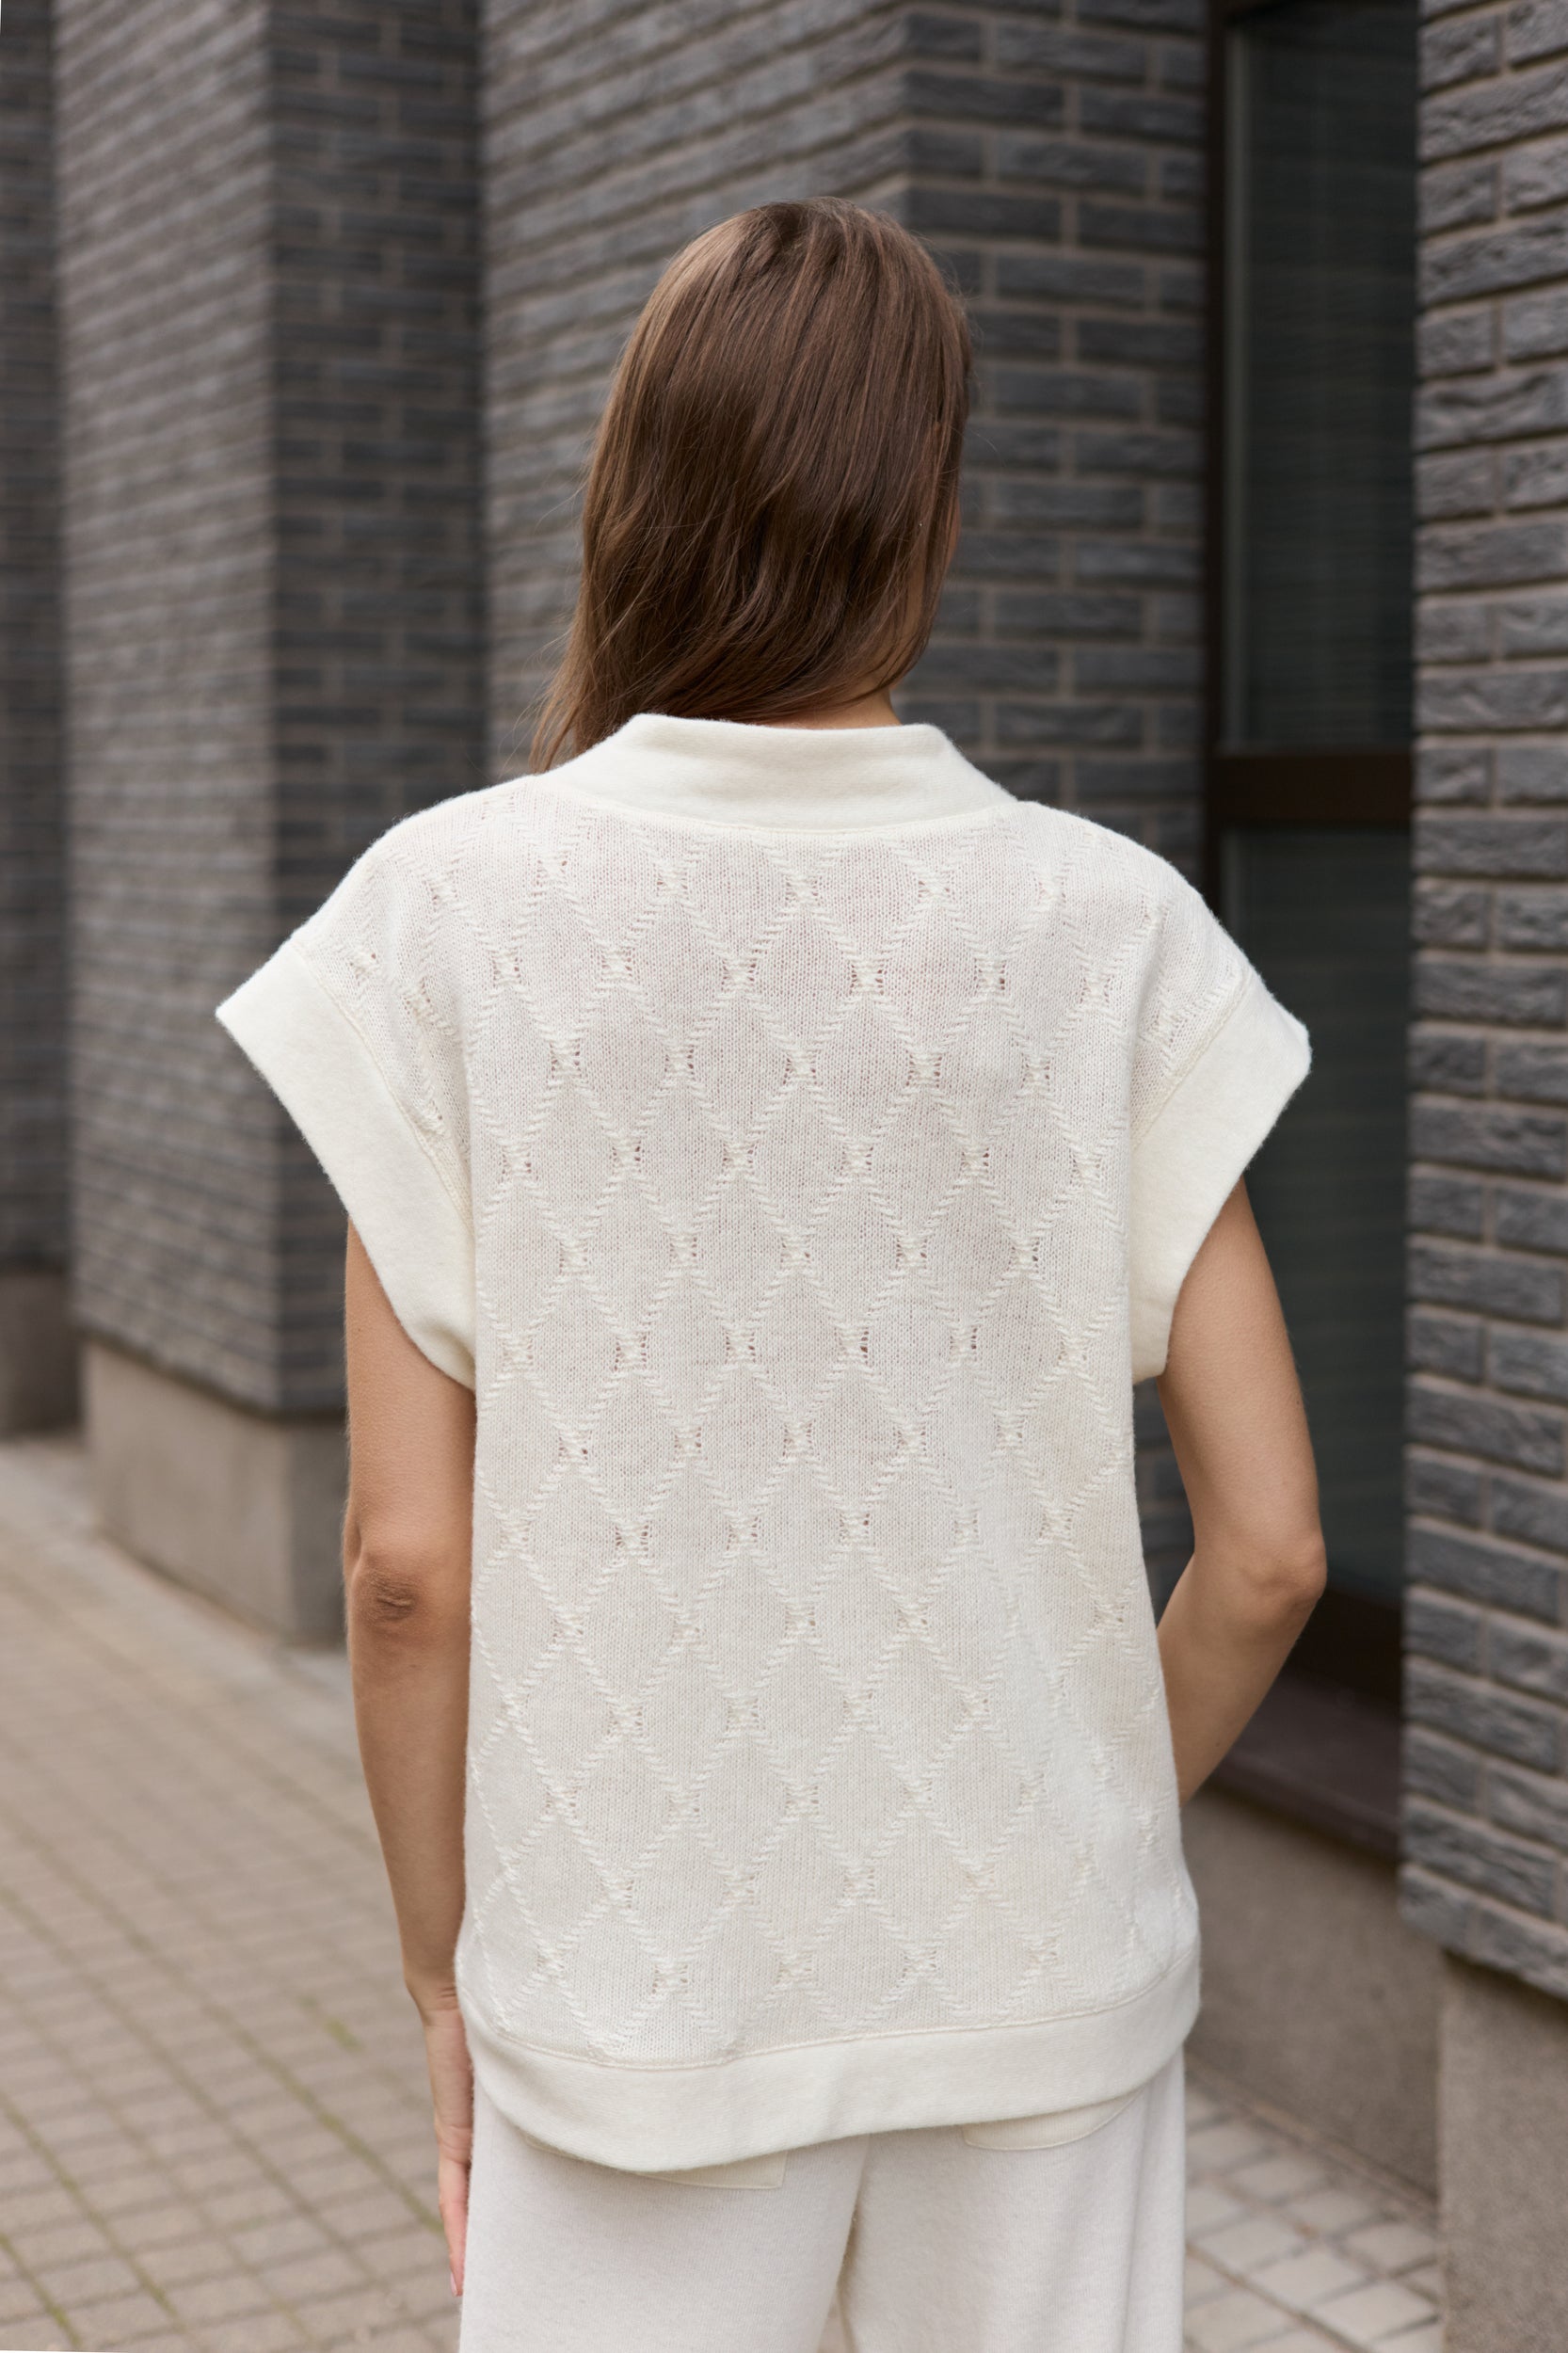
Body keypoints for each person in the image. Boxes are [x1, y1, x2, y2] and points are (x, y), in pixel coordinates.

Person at [216, 198, 1326, 2353]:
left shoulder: (449, 911)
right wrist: (1071, 1821)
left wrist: (445, 1976)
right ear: (926, 510)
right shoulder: (1105, 926)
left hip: (623, 1993)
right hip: (1042, 1993)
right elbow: (1270, 1544)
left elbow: (407, 1569)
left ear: (631, 485)